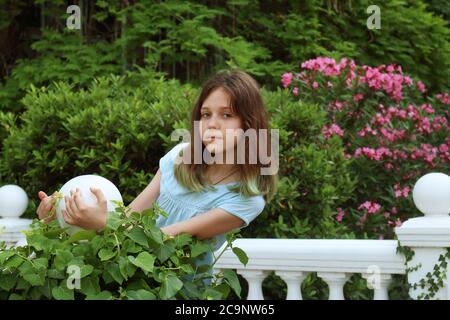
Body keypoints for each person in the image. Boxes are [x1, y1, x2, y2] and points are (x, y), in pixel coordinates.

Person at [36, 69, 278, 286]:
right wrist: (61, 217)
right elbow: (131, 217)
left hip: (178, 291)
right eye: (206, 114)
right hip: (132, 280)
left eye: (226, 115)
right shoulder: (178, 159)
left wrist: (102, 223)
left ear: (249, 123)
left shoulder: (246, 200)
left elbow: (164, 241)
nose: (212, 124)